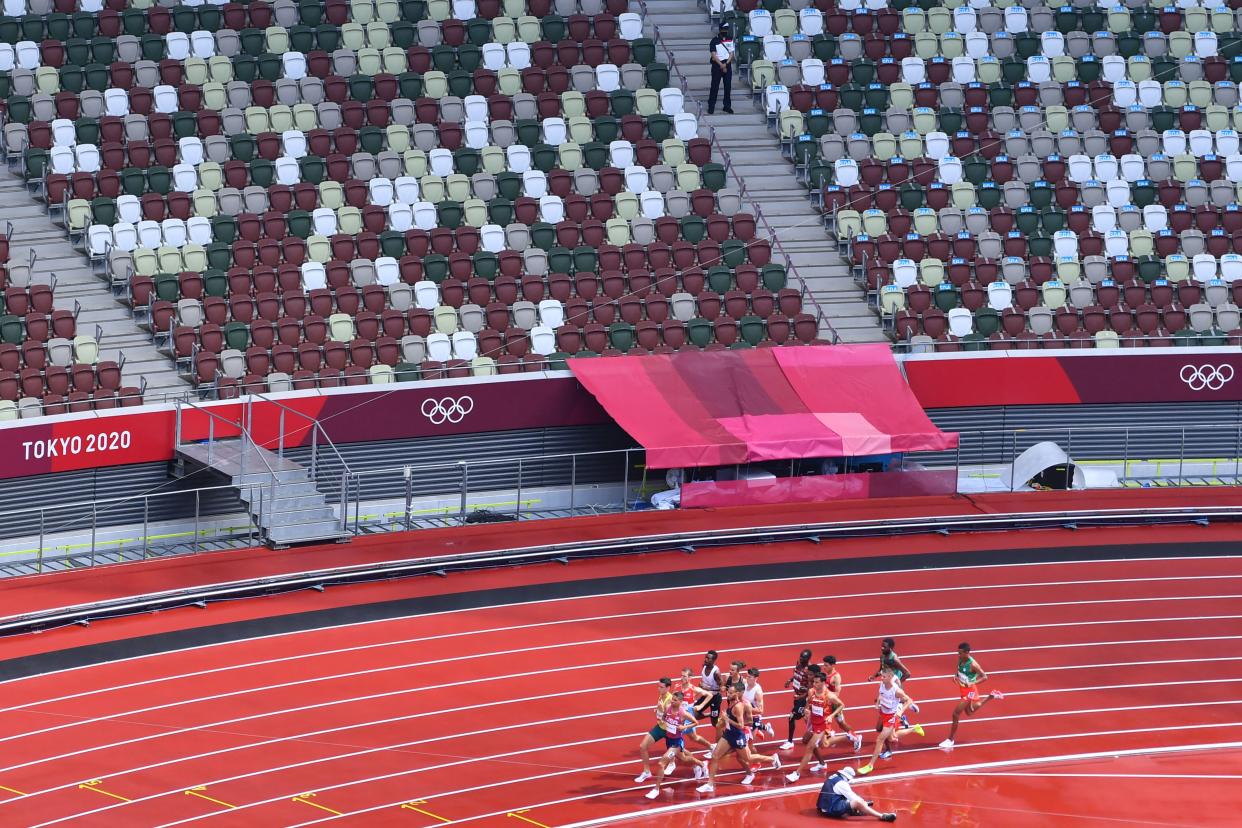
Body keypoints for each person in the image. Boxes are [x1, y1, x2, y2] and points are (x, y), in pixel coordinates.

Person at [696, 682, 781, 794]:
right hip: (728, 734)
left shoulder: (740, 706)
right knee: (715, 756)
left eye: (731, 692)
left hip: (738, 735)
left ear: (737, 693)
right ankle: (710, 784)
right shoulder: (731, 702)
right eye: (728, 692)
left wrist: (727, 720)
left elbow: (742, 725)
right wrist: (723, 722)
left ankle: (772, 759)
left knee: (748, 758)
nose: (728, 694)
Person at [785, 673, 863, 782]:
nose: (814, 684)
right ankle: (845, 740)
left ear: (823, 683)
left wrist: (831, 716)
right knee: (815, 742)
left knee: (810, 747)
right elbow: (808, 703)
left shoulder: (829, 695)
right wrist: (807, 710)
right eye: (814, 682)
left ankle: (797, 773)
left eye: (817, 682)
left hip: (823, 724)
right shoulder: (811, 691)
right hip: (813, 722)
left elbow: (842, 705)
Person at [645, 691, 709, 799]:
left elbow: (696, 722)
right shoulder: (669, 708)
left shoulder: (683, 713)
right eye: (672, 699)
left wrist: (684, 727)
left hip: (677, 742)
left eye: (675, 700)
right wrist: (661, 713)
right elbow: (664, 717)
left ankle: (656, 790)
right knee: (683, 759)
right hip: (669, 740)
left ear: (680, 701)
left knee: (661, 764)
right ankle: (702, 764)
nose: (672, 701)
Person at [858, 669, 924, 775]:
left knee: (880, 739)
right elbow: (881, 693)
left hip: (891, 716)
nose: (881, 678)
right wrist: (878, 702)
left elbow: (909, 700)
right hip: (883, 713)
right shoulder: (882, 684)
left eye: (884, 677)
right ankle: (914, 729)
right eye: (881, 676)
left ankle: (870, 765)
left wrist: (900, 712)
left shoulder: (896, 691)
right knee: (892, 738)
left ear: (890, 677)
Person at [940, 642, 1004, 749]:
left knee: (955, 714)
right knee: (969, 712)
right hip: (963, 688)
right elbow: (960, 671)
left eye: (960, 653)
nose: (958, 655)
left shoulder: (973, 665)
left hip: (970, 690)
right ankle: (991, 696)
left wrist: (972, 683)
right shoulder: (961, 659)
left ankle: (950, 740)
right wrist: (956, 676)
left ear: (967, 653)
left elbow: (984, 677)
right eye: (958, 653)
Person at [817, 766, 897, 821]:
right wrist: (863, 803)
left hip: (824, 807)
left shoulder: (834, 777)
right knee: (858, 802)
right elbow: (854, 799)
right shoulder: (842, 783)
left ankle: (855, 810)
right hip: (830, 809)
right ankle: (882, 816)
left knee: (855, 803)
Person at [634, 677, 674, 783]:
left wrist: (661, 710)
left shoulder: (670, 699)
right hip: (660, 728)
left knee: (682, 755)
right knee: (643, 746)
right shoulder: (662, 695)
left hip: (669, 731)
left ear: (668, 688)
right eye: (658, 686)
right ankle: (647, 772)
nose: (658, 689)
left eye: (661, 687)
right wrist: (658, 710)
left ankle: (699, 765)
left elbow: (671, 717)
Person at [675, 667, 717, 751]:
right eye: (681, 676)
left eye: (684, 676)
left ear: (690, 678)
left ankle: (676, 757)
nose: (681, 678)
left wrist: (701, 705)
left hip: (688, 717)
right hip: (678, 715)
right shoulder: (677, 687)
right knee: (694, 737)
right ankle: (711, 746)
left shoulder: (693, 689)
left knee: (675, 735)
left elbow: (710, 695)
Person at [781, 648, 814, 750]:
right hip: (797, 696)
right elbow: (796, 675)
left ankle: (790, 742)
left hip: (803, 698)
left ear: (808, 659)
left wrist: (802, 696)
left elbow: (810, 687)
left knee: (792, 717)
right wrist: (790, 680)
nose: (800, 658)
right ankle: (822, 731)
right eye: (800, 656)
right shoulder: (798, 664)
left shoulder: (809, 670)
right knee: (806, 717)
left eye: (803, 657)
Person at [823, 655, 857, 735]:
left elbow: (837, 694)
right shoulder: (824, 675)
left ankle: (855, 736)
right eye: (823, 665)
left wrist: (825, 692)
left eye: (826, 665)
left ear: (832, 665)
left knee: (841, 724)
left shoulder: (836, 677)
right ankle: (828, 736)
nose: (824, 667)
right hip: (826, 703)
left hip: (834, 704)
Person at [707, 23, 734, 115]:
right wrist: (721, 65)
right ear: (720, 29)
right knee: (714, 86)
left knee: (728, 86)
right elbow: (713, 55)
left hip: (727, 64)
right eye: (723, 29)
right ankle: (711, 106)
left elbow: (731, 54)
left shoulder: (730, 39)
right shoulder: (714, 41)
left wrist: (726, 64)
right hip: (717, 65)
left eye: (726, 29)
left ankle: (727, 106)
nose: (725, 31)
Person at [742, 667, 776, 738]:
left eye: (750, 677)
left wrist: (747, 708)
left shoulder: (757, 692)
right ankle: (765, 727)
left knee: (750, 742)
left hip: (754, 717)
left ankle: (763, 727)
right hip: (744, 714)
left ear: (755, 678)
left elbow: (761, 710)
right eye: (747, 676)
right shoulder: (744, 683)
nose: (747, 678)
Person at [700, 650, 725, 727]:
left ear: (714, 660)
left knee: (714, 723)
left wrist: (708, 688)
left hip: (715, 698)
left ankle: (724, 735)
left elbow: (722, 689)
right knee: (695, 713)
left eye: (708, 658)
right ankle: (710, 714)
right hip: (706, 695)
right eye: (706, 657)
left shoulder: (716, 673)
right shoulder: (704, 666)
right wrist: (702, 685)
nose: (706, 659)